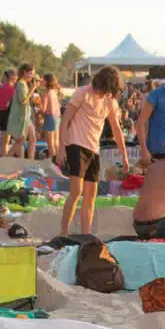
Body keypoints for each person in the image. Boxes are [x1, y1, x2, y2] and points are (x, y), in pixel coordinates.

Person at [55, 65, 129, 235]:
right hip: (76, 143)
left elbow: (116, 129)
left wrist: (124, 156)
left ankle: (86, 234)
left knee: (91, 195)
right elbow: (65, 120)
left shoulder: (110, 101)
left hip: (94, 148)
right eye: (103, 89)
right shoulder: (83, 93)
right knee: (76, 191)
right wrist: (61, 148)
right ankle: (64, 232)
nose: (102, 93)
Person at [6, 63, 38, 158]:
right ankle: (6, 158)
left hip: (26, 115)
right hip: (22, 116)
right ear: (24, 72)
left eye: (33, 74)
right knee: (23, 141)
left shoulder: (23, 83)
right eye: (30, 73)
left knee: (32, 139)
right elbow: (23, 100)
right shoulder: (21, 84)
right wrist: (32, 89)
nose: (32, 76)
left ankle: (29, 161)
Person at [41, 74, 62, 160]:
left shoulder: (47, 93)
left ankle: (53, 161)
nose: (41, 81)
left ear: (46, 81)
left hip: (49, 117)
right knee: (56, 142)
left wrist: (38, 108)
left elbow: (43, 109)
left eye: (43, 79)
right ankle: (57, 161)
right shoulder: (54, 92)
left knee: (50, 144)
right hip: (57, 117)